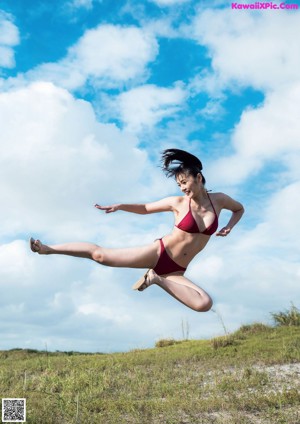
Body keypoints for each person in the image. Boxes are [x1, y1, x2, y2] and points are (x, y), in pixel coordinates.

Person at [30, 148, 244, 312]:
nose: (182, 188)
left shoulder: (220, 200)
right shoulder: (178, 202)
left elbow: (239, 209)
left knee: (204, 304)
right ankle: (48, 249)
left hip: (175, 270)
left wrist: (228, 227)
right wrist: (121, 206)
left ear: (198, 178)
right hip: (160, 252)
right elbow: (145, 208)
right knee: (101, 256)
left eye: (185, 182)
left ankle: (156, 279)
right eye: (179, 184)